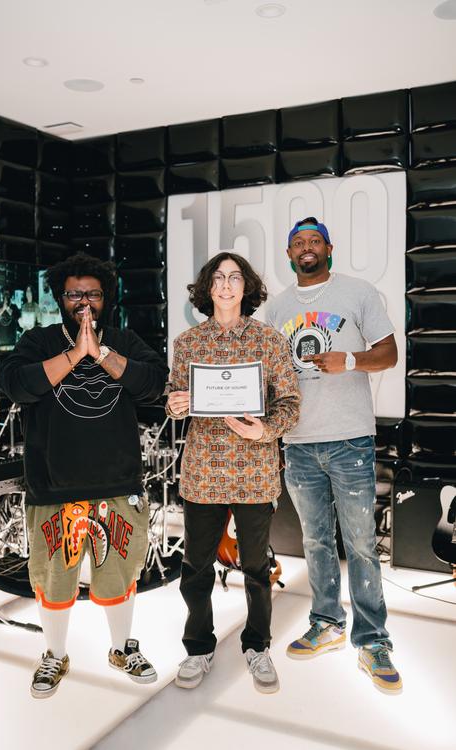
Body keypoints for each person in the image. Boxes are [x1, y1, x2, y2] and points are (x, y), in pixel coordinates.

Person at [0, 253, 168, 698]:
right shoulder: (37, 341)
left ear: (105, 297)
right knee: (53, 579)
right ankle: (54, 654)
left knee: (121, 574)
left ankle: (121, 648)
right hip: (54, 485)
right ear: (61, 297)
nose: (84, 301)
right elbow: (17, 385)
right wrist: (77, 354)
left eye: (92, 293)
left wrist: (104, 354)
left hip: (117, 483)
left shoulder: (125, 340)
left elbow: (154, 382)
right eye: (75, 293)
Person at [267, 217, 402, 694]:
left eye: (314, 241)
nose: (306, 248)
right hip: (299, 444)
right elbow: (271, 377)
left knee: (362, 543)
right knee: (316, 543)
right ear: (289, 254)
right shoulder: (277, 308)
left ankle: (372, 640)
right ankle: (327, 622)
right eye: (297, 242)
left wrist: (350, 360)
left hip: (349, 439)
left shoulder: (358, 292)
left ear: (329, 247)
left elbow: (389, 354)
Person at [167, 252, 300, 694]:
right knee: (196, 567)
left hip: (254, 471)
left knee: (258, 567)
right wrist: (175, 403)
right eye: (218, 278)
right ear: (208, 288)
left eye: (235, 277)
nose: (226, 285)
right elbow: (173, 393)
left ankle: (257, 645)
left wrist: (266, 428)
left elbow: (290, 404)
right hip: (204, 472)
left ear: (247, 287)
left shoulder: (269, 341)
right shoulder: (188, 342)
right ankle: (198, 648)